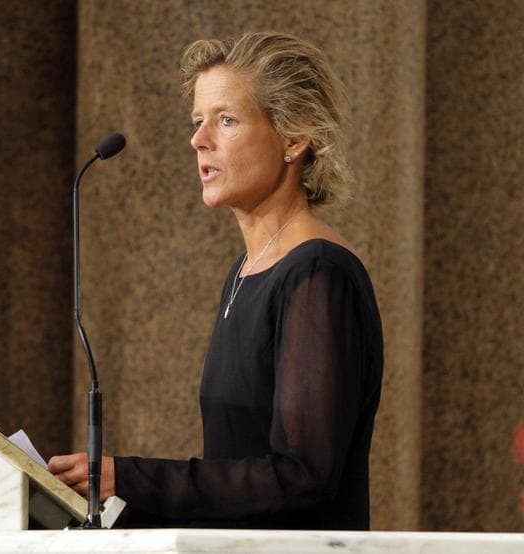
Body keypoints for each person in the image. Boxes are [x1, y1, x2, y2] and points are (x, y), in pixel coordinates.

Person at [49, 31, 383, 530]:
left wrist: (131, 478)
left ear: (293, 137)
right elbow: (234, 483)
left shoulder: (317, 273)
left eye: (227, 120)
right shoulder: (245, 273)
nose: (199, 140)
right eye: (197, 121)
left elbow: (301, 477)